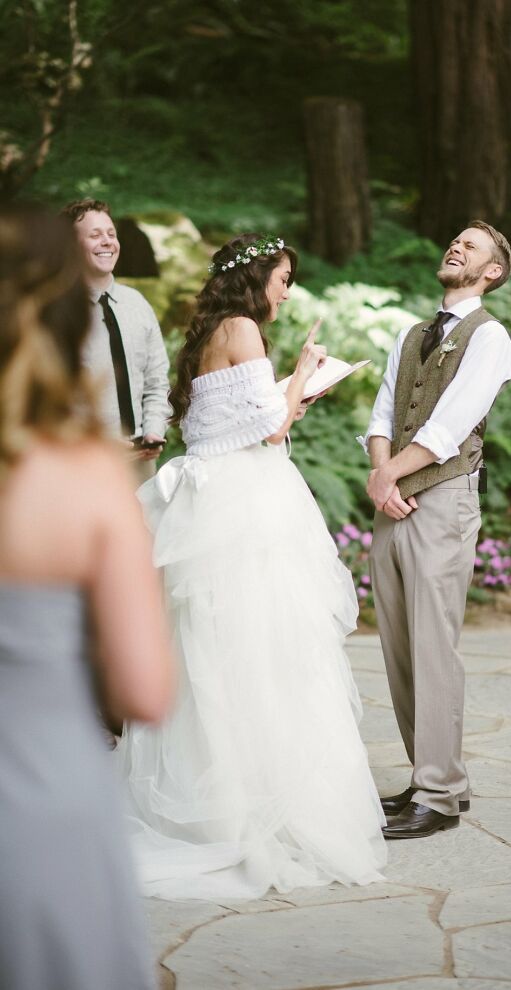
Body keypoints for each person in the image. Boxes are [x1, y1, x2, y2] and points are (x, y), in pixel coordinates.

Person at [117, 233, 386, 900]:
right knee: (264, 652)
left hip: (213, 500)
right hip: (245, 506)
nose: (287, 292)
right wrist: (306, 371)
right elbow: (269, 429)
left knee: (211, 650)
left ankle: (214, 797)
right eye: (284, 279)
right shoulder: (243, 328)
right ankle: (260, 807)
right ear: (258, 276)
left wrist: (290, 391)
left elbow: (224, 421)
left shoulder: (210, 331)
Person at [0, 203, 175, 990]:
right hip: (45, 798)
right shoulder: (81, 482)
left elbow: (157, 378)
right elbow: (146, 691)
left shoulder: (135, 311)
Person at [363, 220, 511, 840]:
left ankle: (441, 795)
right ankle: (429, 775)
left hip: (444, 499)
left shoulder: (490, 336)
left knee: (434, 647)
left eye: (471, 246)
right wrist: (382, 475)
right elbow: (382, 413)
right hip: (393, 498)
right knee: (400, 646)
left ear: (492, 271)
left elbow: (450, 425)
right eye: (454, 240)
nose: (456, 246)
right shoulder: (412, 334)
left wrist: (389, 476)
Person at [61, 199, 171, 481]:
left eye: (111, 234)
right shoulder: (59, 313)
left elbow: (156, 380)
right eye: (95, 235)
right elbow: (50, 397)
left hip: (141, 463)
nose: (107, 241)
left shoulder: (138, 304)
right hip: (81, 463)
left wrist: (154, 430)